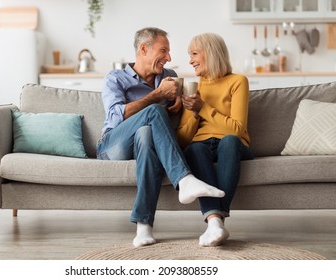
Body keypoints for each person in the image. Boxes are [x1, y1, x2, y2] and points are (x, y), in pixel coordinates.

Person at [97, 27, 225, 248]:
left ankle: (143, 226)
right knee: (154, 112)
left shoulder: (169, 77)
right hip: (112, 145)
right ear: (144, 49)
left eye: (169, 52)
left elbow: (178, 108)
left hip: (143, 145)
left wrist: (179, 104)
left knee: (146, 135)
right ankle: (184, 180)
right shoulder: (115, 78)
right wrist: (157, 96)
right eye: (163, 51)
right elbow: (117, 116)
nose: (169, 58)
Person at [177, 33, 254, 247]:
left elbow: (237, 130)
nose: (190, 60)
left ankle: (216, 218)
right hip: (202, 145)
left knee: (229, 141)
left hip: (234, 146)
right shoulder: (195, 88)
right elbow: (183, 139)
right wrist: (193, 113)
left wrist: (204, 108)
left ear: (210, 53)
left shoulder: (237, 81)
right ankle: (215, 223)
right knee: (194, 149)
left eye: (194, 54)